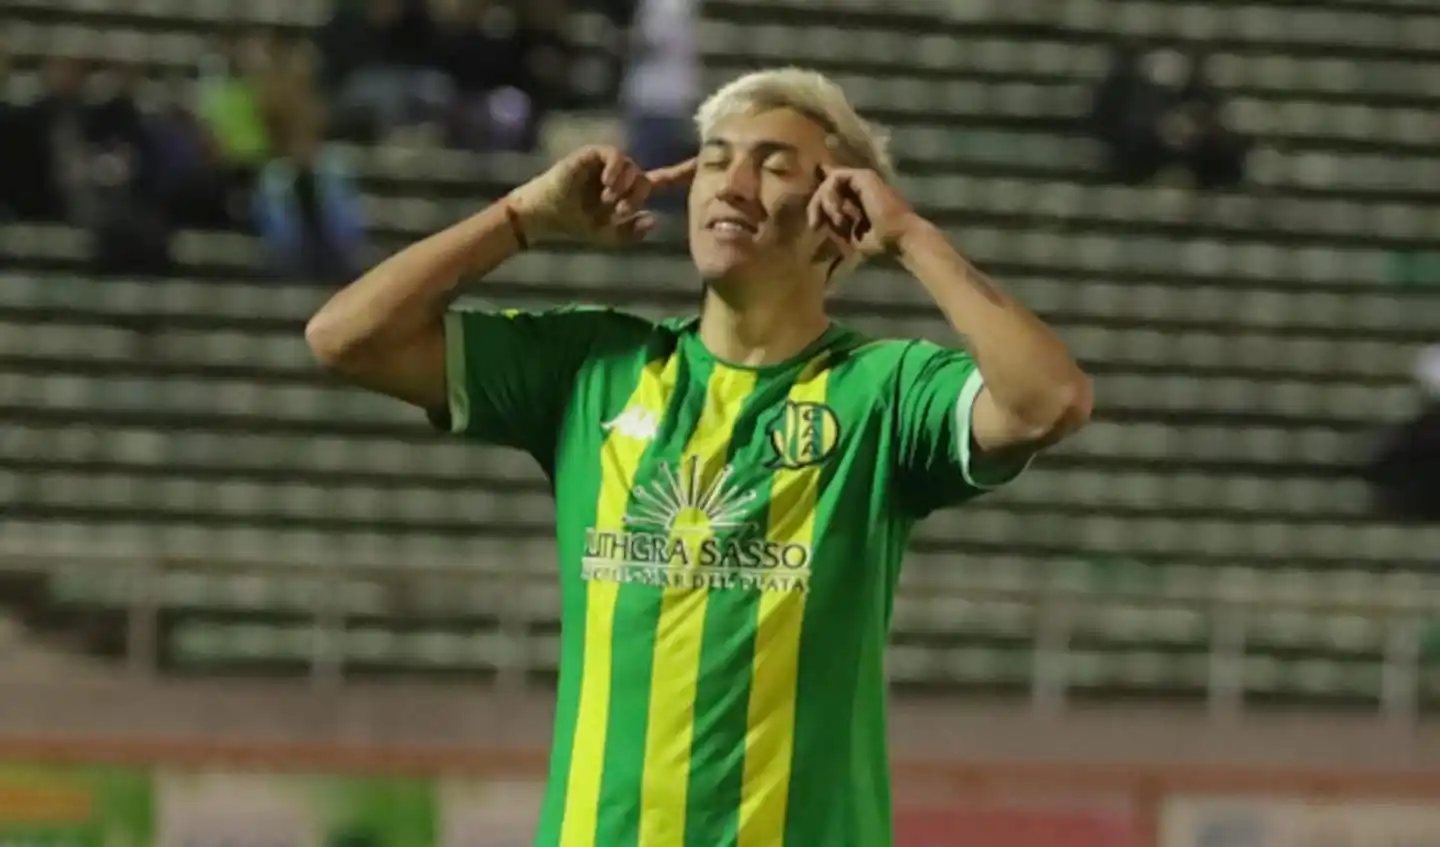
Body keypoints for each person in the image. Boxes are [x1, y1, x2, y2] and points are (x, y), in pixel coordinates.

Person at [306, 68, 1092, 846]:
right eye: (715, 159)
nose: (734, 183)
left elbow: (1047, 399)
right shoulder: (597, 365)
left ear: (838, 214)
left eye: (775, 165)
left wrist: (913, 239)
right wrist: (519, 218)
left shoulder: (882, 394)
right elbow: (345, 338)